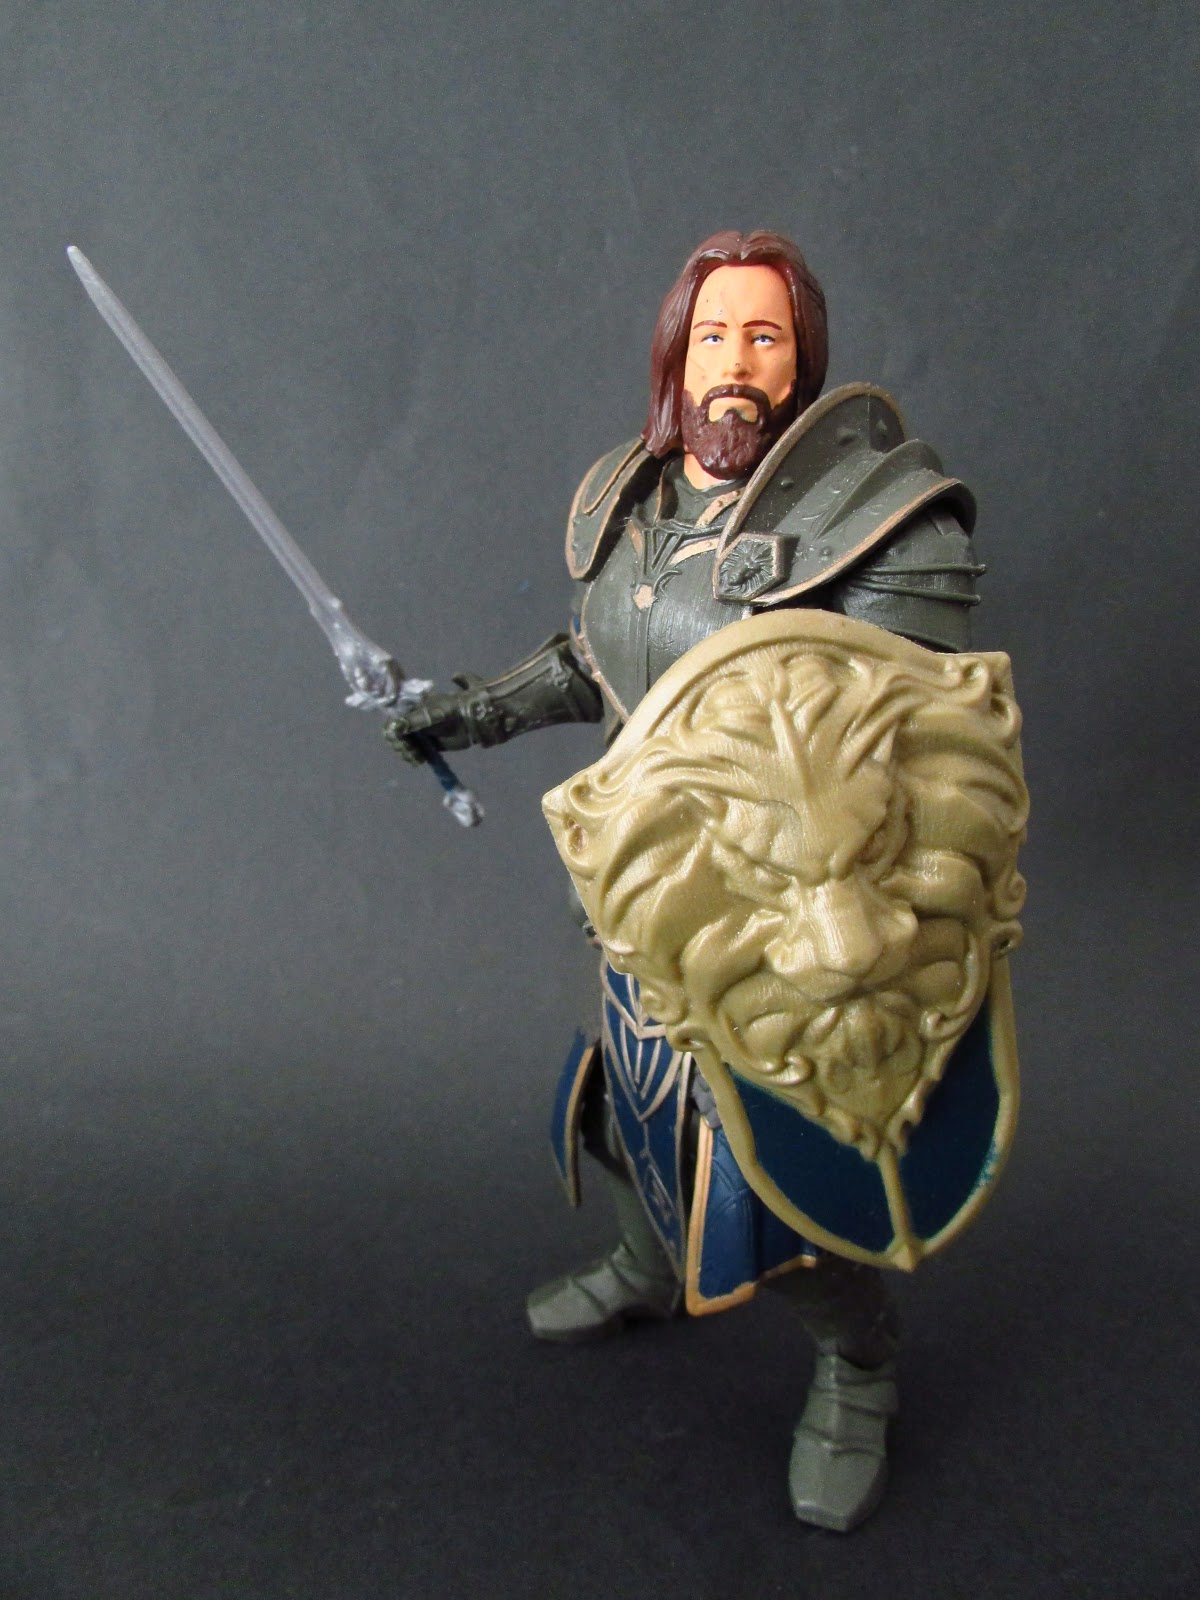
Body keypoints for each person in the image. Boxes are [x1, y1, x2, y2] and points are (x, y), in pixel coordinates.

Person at [384, 231, 1001, 1531]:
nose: (735, 363)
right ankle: (646, 1262)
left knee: (777, 1193)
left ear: (801, 358)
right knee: (616, 1116)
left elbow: (906, 740)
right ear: (677, 350)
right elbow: (598, 661)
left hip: (776, 918)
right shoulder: (635, 501)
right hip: (635, 895)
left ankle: (860, 1363)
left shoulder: (878, 521)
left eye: (763, 337)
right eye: (714, 334)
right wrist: (476, 711)